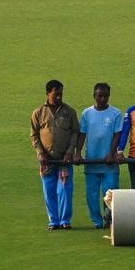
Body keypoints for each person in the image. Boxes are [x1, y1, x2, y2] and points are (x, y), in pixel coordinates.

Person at [30, 80, 80, 229]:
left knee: (64, 190)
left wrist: (70, 152)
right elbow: (34, 135)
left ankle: (65, 221)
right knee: (49, 191)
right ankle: (54, 221)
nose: (59, 97)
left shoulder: (69, 112)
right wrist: (40, 153)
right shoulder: (38, 112)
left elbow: (75, 133)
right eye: (55, 94)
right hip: (47, 161)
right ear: (47, 93)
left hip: (65, 159)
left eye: (61, 94)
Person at [77, 81, 126, 229]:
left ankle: (110, 219)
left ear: (109, 96)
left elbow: (118, 135)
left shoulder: (116, 113)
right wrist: (77, 153)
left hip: (109, 162)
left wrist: (111, 154)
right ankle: (97, 222)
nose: (102, 99)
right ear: (94, 96)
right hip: (91, 160)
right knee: (91, 194)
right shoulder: (87, 113)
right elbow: (82, 134)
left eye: (105, 96)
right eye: (99, 96)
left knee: (110, 192)